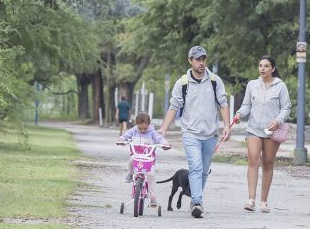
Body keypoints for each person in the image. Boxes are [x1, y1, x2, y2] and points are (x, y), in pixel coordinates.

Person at [158, 45, 232, 218]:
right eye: (197, 59)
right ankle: (197, 201)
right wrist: (163, 129)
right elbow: (174, 107)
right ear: (190, 60)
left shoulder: (215, 81)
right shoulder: (182, 83)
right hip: (190, 133)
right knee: (196, 167)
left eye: (203, 59)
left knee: (204, 170)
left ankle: (195, 198)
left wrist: (227, 126)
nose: (201, 63)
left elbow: (223, 104)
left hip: (211, 135)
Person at [234, 55, 291, 213]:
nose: (262, 69)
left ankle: (263, 202)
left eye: (266, 66)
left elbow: (286, 107)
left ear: (272, 69)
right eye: (260, 66)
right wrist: (239, 114)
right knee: (253, 160)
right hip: (253, 129)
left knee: (267, 163)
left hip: (271, 130)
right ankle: (251, 200)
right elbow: (246, 105)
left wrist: (278, 121)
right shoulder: (252, 85)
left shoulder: (280, 86)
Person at [118, 112, 167, 208]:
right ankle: (130, 173)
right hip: (136, 157)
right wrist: (121, 140)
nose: (143, 130)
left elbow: (159, 139)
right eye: (140, 128)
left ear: (149, 124)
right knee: (131, 160)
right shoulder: (134, 130)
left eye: (145, 128)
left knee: (151, 175)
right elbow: (126, 136)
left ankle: (153, 197)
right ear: (136, 124)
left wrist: (164, 144)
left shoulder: (152, 133)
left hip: (148, 159)